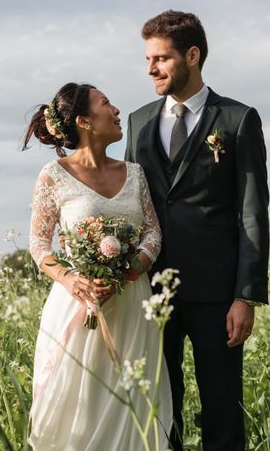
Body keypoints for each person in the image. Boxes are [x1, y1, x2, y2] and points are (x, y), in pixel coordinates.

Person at [124, 10, 270, 450]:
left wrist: (245, 295)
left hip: (217, 294)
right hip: (152, 295)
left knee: (222, 407)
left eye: (162, 58)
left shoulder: (238, 119)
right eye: (148, 58)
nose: (151, 68)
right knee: (160, 410)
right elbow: (131, 201)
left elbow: (252, 212)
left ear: (193, 55)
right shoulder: (138, 120)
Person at [23, 82, 173, 449]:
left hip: (132, 307)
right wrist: (72, 280)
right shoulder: (53, 175)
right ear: (84, 121)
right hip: (76, 306)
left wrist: (126, 273)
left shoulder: (135, 173)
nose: (117, 110)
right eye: (106, 103)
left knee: (133, 407)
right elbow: (39, 243)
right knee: (78, 407)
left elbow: (153, 235)